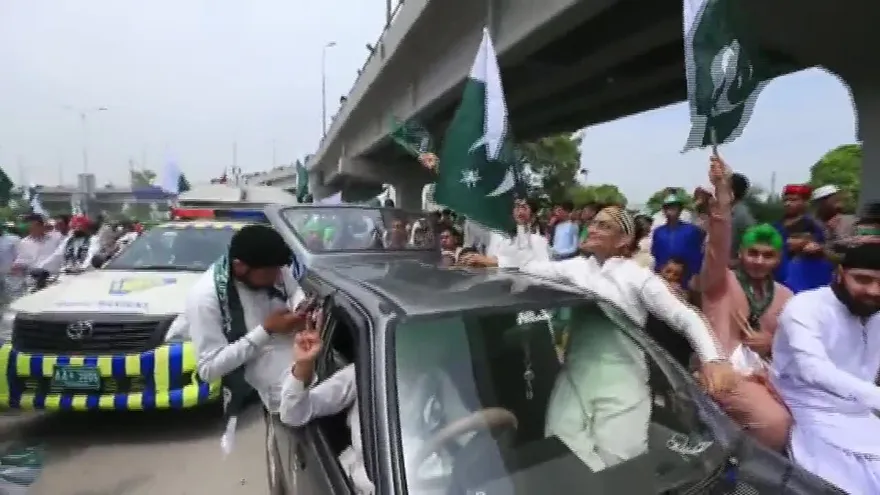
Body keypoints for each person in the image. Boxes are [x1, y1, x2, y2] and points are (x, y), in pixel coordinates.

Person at [518, 205, 733, 470]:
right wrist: (518, 232)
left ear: (624, 241)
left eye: (604, 226)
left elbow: (684, 316)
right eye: (594, 223)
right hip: (575, 379)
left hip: (623, 384)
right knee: (564, 459)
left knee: (620, 467)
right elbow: (525, 269)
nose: (593, 229)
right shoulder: (575, 268)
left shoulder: (637, 277)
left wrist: (713, 359)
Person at [186, 224, 309, 454]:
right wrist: (266, 330)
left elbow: (293, 290)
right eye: (270, 272)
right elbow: (209, 368)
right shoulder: (205, 299)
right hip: (276, 394)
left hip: (303, 368)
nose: (277, 278)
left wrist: (301, 307)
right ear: (240, 267)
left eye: (279, 270)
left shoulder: (274, 270)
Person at [698, 156, 793, 451]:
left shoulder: (785, 295)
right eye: (753, 253)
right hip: (722, 373)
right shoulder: (720, 281)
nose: (759, 261)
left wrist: (771, 343)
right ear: (741, 252)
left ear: (778, 259)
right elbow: (717, 245)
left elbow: (793, 346)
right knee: (775, 424)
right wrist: (723, 195)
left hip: (766, 376)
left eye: (768, 255)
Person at [770, 242, 880, 494]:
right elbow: (814, 370)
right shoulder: (805, 307)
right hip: (808, 409)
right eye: (863, 279)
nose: (874, 291)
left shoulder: (875, 312)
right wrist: (876, 397)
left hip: (860, 414)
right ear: (840, 273)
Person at [459, 197, 550, 269]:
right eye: (516, 206)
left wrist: (491, 261)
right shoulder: (501, 237)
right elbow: (491, 260)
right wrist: (474, 259)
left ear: (533, 215)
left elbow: (536, 267)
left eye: (523, 207)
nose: (519, 210)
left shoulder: (537, 240)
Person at [651, 194, 704, 288]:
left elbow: (698, 254)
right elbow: (656, 254)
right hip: (664, 278)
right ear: (663, 210)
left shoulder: (692, 230)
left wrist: (696, 275)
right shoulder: (658, 232)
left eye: (674, 207)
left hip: (687, 278)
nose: (671, 211)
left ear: (680, 210)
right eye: (668, 208)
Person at [773, 184, 825, 282]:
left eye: (793, 200)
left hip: (802, 275)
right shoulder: (776, 225)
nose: (787, 203)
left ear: (805, 202)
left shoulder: (813, 224)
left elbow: (822, 247)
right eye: (785, 200)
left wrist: (812, 246)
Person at [11, 214, 63, 278]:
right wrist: (17, 266)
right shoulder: (24, 243)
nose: (32, 227)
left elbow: (60, 256)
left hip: (54, 278)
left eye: (37, 225)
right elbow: (22, 260)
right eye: (30, 225)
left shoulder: (55, 239)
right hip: (34, 279)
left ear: (42, 225)